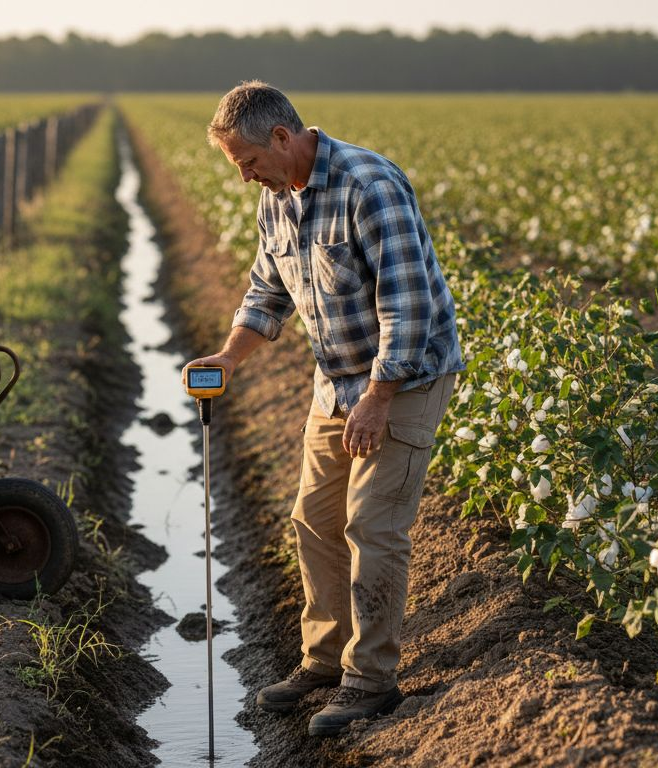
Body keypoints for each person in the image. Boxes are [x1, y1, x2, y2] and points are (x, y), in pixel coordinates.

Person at [182, 81, 463, 737]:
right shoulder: (278, 203)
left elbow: (409, 306)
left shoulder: (369, 186)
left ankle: (371, 680)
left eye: (248, 162)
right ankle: (323, 662)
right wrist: (228, 358)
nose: (247, 178)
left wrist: (379, 396)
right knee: (313, 518)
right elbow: (265, 294)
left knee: (372, 524)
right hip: (335, 380)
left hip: (405, 377)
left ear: (282, 137)